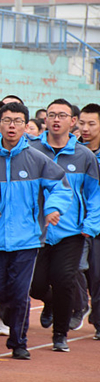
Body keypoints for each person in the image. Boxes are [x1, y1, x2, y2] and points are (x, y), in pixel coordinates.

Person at [0, 101, 72, 360]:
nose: (11, 126)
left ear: (26, 126)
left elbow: (61, 188)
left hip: (27, 239)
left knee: (20, 293)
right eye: (7, 120)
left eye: (18, 121)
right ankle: (10, 318)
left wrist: (53, 208)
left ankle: (19, 342)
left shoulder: (38, 159)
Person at [30, 99, 100, 352]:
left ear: (73, 122)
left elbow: (95, 193)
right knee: (35, 284)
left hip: (71, 231)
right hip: (36, 231)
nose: (56, 119)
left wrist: (90, 224)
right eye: (51, 115)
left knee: (64, 280)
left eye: (62, 115)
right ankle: (48, 302)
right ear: (45, 119)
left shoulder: (83, 156)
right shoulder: (32, 150)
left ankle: (60, 334)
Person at [78, 103, 100, 340]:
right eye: (82, 122)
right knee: (83, 271)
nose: (85, 128)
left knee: (98, 273)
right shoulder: (75, 151)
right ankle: (81, 305)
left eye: (91, 123)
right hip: (80, 222)